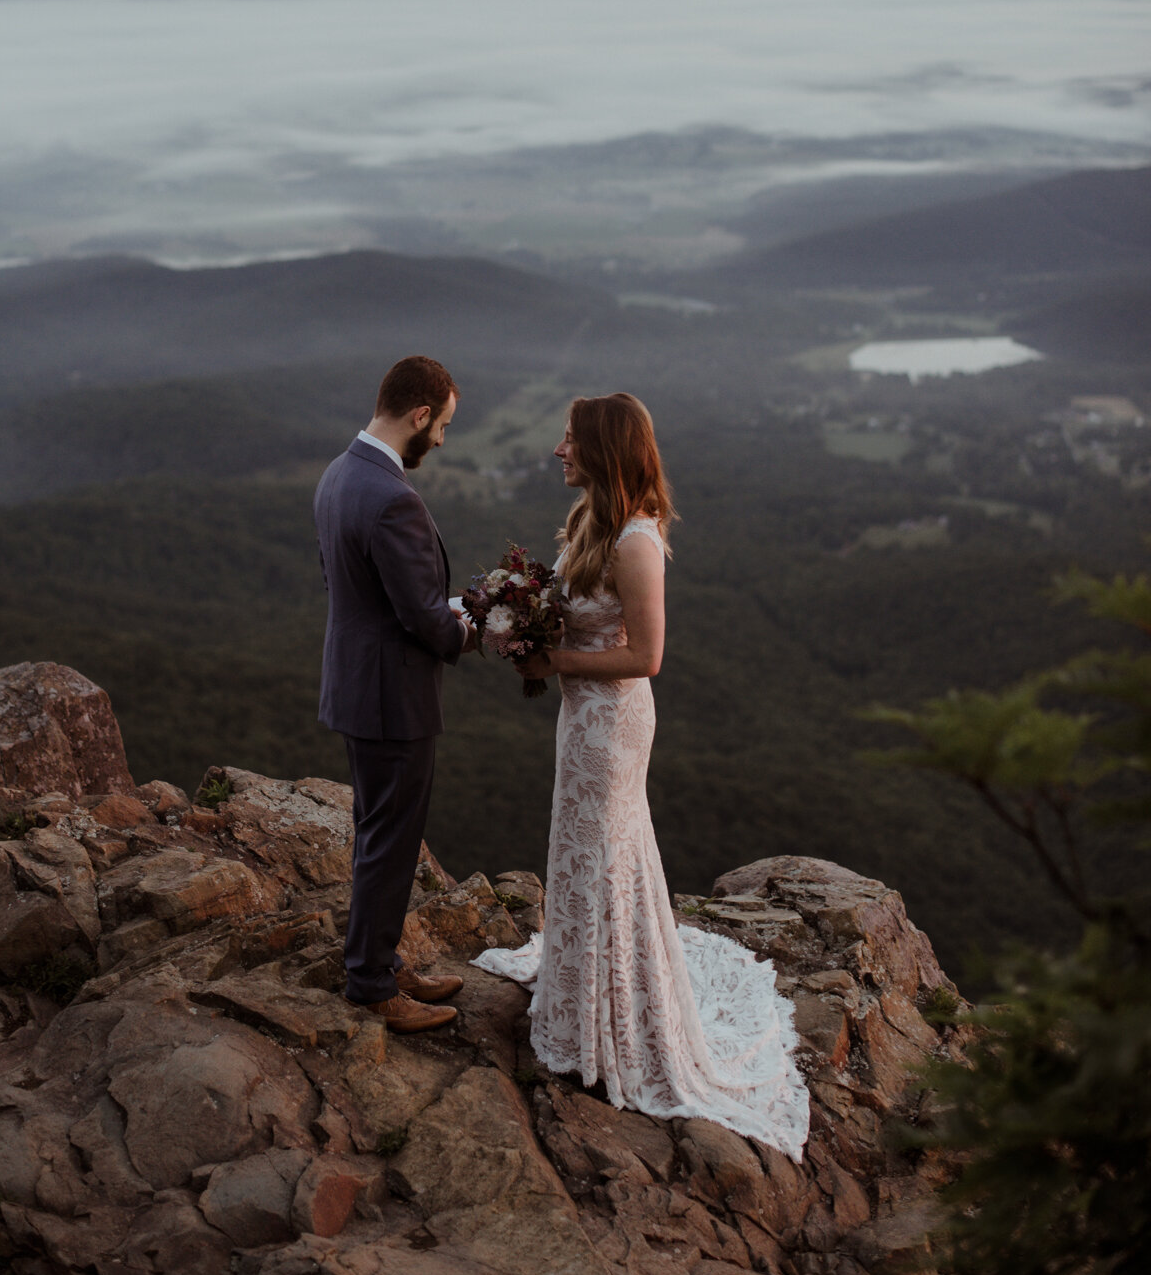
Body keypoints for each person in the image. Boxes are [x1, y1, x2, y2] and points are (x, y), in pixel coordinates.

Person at [474, 393, 809, 1159]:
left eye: (568, 440)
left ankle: (610, 1021)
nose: (558, 451)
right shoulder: (591, 522)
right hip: (580, 718)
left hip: (612, 725)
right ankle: (583, 994)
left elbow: (646, 657)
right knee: (584, 850)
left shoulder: (633, 540)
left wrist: (546, 657)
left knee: (603, 853)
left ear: (601, 449)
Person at [314, 355, 471, 1034]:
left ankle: (378, 957)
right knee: (390, 839)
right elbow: (429, 626)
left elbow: (355, 590)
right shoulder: (393, 496)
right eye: (441, 426)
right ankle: (372, 983)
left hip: (356, 682)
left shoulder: (339, 474)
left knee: (376, 832)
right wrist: (485, 622)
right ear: (419, 414)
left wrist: (455, 604)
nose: (440, 440)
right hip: (391, 696)